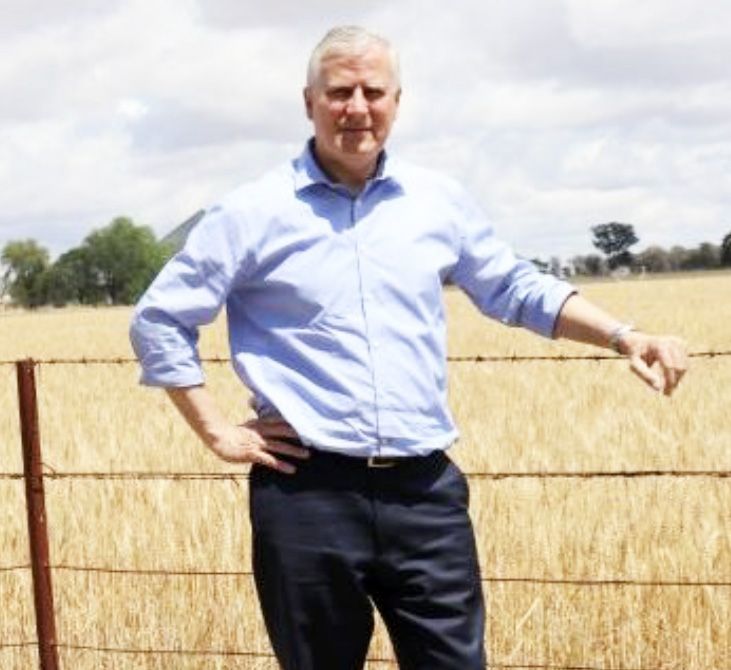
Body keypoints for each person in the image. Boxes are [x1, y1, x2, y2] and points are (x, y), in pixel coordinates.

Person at [130, 25, 688, 670]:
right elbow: (159, 318)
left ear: (397, 101)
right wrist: (215, 431)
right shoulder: (251, 212)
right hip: (306, 493)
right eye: (339, 92)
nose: (356, 108)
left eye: (373, 92)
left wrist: (624, 335)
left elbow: (515, 287)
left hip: (425, 493)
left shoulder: (436, 202)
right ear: (308, 102)